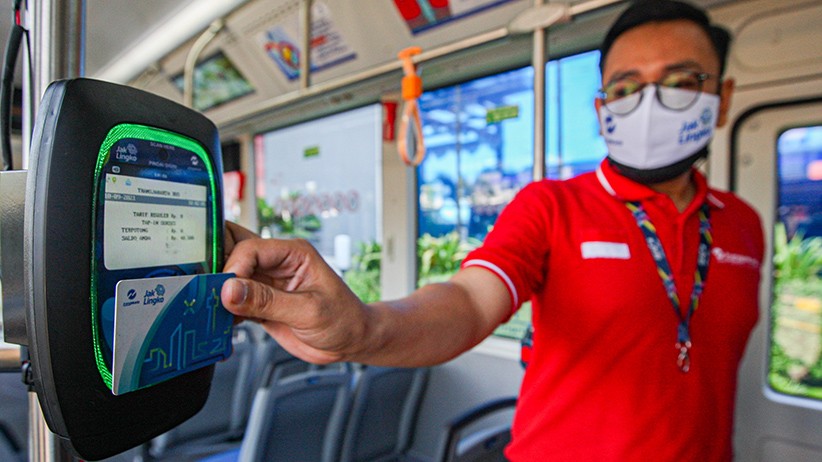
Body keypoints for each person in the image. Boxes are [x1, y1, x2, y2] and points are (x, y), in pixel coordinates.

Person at [221, 1, 763, 460]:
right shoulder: (551, 206)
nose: (650, 102)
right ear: (602, 110)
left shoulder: (744, 226)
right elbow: (469, 301)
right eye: (627, 87)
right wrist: (363, 328)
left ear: (723, 99)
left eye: (680, 81)